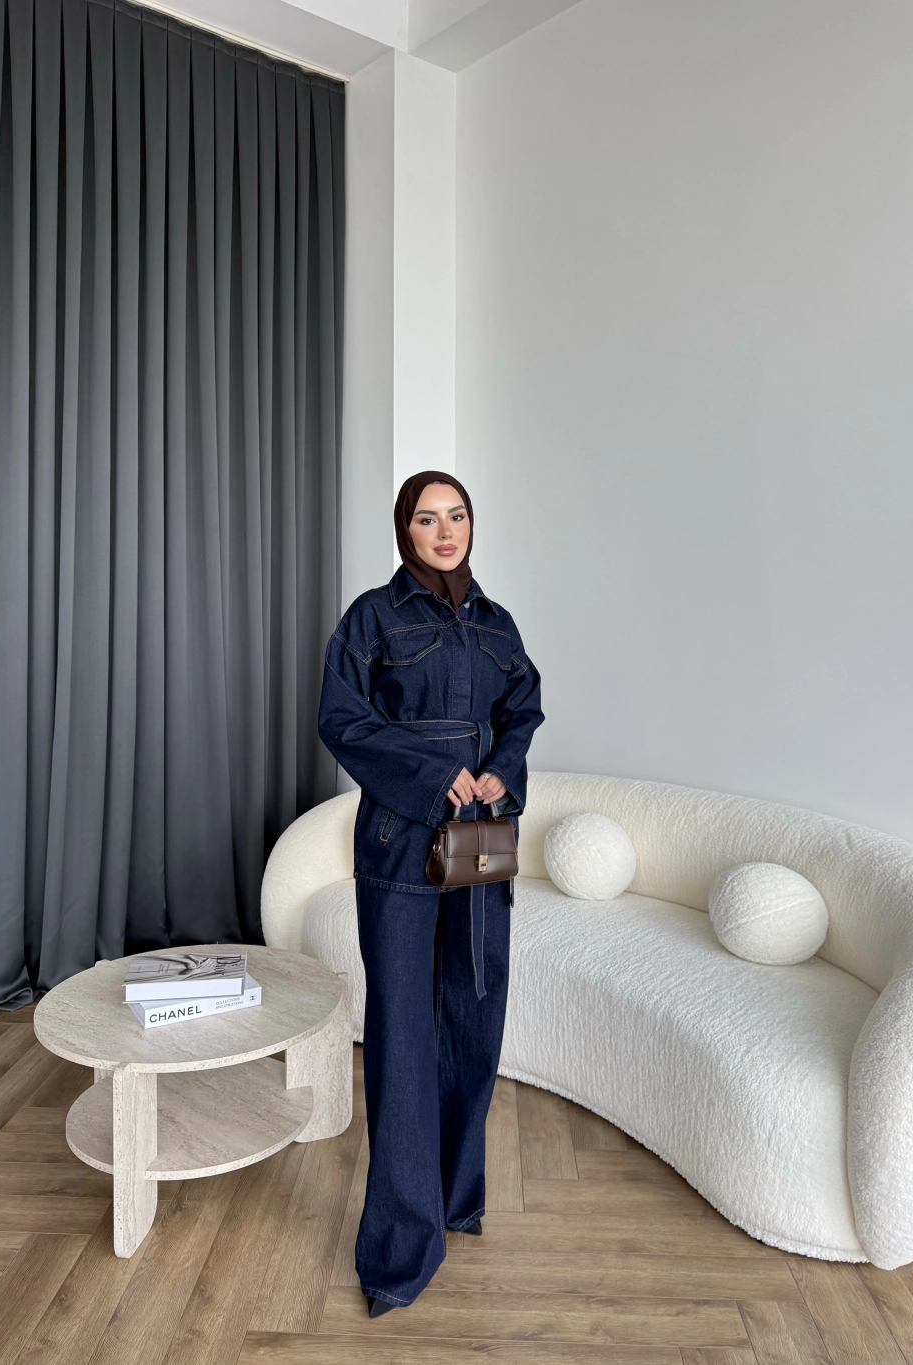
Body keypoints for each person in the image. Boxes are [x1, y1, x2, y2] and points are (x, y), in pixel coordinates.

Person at [317, 470, 544, 1315]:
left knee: (475, 1016)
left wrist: (501, 771)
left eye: (457, 516)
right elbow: (342, 720)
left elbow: (523, 709)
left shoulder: (497, 624)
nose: (445, 531)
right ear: (404, 529)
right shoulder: (371, 619)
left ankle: (455, 1197)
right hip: (399, 844)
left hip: (480, 841)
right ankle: (400, 1250)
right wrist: (432, 771)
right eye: (427, 518)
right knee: (404, 1034)